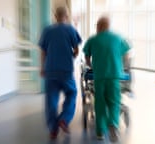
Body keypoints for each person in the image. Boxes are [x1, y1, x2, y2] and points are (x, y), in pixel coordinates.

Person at [83, 16, 130, 142]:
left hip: (99, 76)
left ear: (98, 26)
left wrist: (92, 66)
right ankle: (113, 125)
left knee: (100, 103)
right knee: (114, 102)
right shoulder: (118, 37)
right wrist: (123, 66)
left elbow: (86, 57)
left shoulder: (93, 39)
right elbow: (126, 54)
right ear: (108, 26)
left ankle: (100, 132)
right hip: (114, 75)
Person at [38, 6, 82, 140]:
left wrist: (42, 67)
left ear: (55, 16)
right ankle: (64, 119)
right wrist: (71, 57)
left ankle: (53, 129)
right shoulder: (71, 29)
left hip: (50, 70)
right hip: (66, 71)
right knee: (72, 93)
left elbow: (43, 51)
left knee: (51, 101)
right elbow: (76, 50)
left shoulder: (47, 30)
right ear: (67, 16)